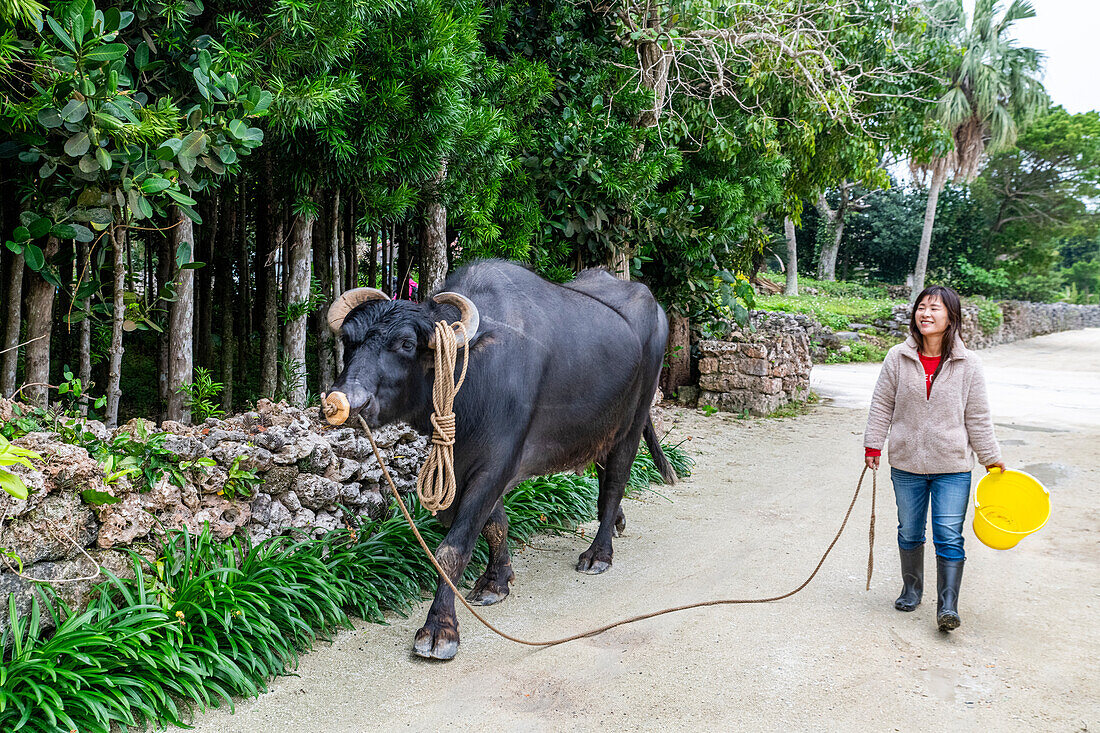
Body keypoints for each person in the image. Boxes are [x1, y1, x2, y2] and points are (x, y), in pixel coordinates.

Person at [863, 285, 1005, 632]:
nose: (925, 314)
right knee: (910, 531)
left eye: (935, 309)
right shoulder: (897, 357)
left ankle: (948, 605)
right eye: (921, 308)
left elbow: (978, 416)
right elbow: (882, 404)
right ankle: (911, 590)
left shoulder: (969, 363)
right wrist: (873, 445)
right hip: (907, 463)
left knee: (948, 534)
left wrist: (990, 457)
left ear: (950, 318)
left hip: (952, 467)